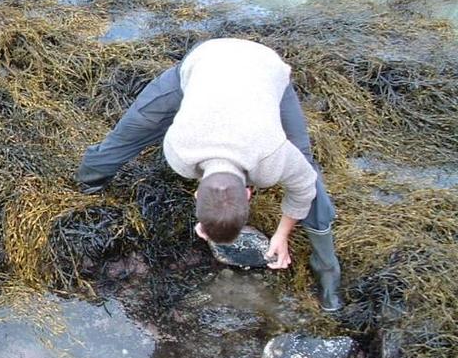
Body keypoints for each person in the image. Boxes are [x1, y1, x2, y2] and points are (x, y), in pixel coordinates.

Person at [77, 37, 342, 312]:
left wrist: (281, 234)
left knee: (307, 170)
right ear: (249, 194)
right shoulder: (178, 149)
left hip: (265, 68)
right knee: (129, 134)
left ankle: (327, 268)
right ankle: (86, 183)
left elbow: (304, 187)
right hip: (205, 62)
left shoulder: (272, 155)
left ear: (249, 193)